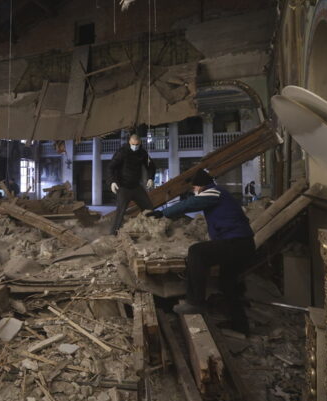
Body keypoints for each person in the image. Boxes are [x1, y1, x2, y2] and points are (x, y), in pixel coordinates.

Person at [146, 169, 255, 334]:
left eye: (194, 187)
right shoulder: (220, 194)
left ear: (200, 185)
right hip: (242, 244)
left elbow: (189, 204)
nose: (194, 190)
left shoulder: (214, 192)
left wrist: (163, 213)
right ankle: (240, 326)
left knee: (196, 252)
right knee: (228, 285)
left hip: (236, 243)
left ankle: (195, 302)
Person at [109, 133, 156, 235]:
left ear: (140, 143)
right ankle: (112, 235)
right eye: (133, 144)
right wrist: (113, 181)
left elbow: (151, 166)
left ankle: (152, 230)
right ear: (129, 142)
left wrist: (150, 178)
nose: (135, 146)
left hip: (136, 186)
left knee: (149, 208)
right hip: (123, 187)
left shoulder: (142, 153)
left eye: (137, 145)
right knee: (120, 212)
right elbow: (111, 167)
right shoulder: (122, 152)